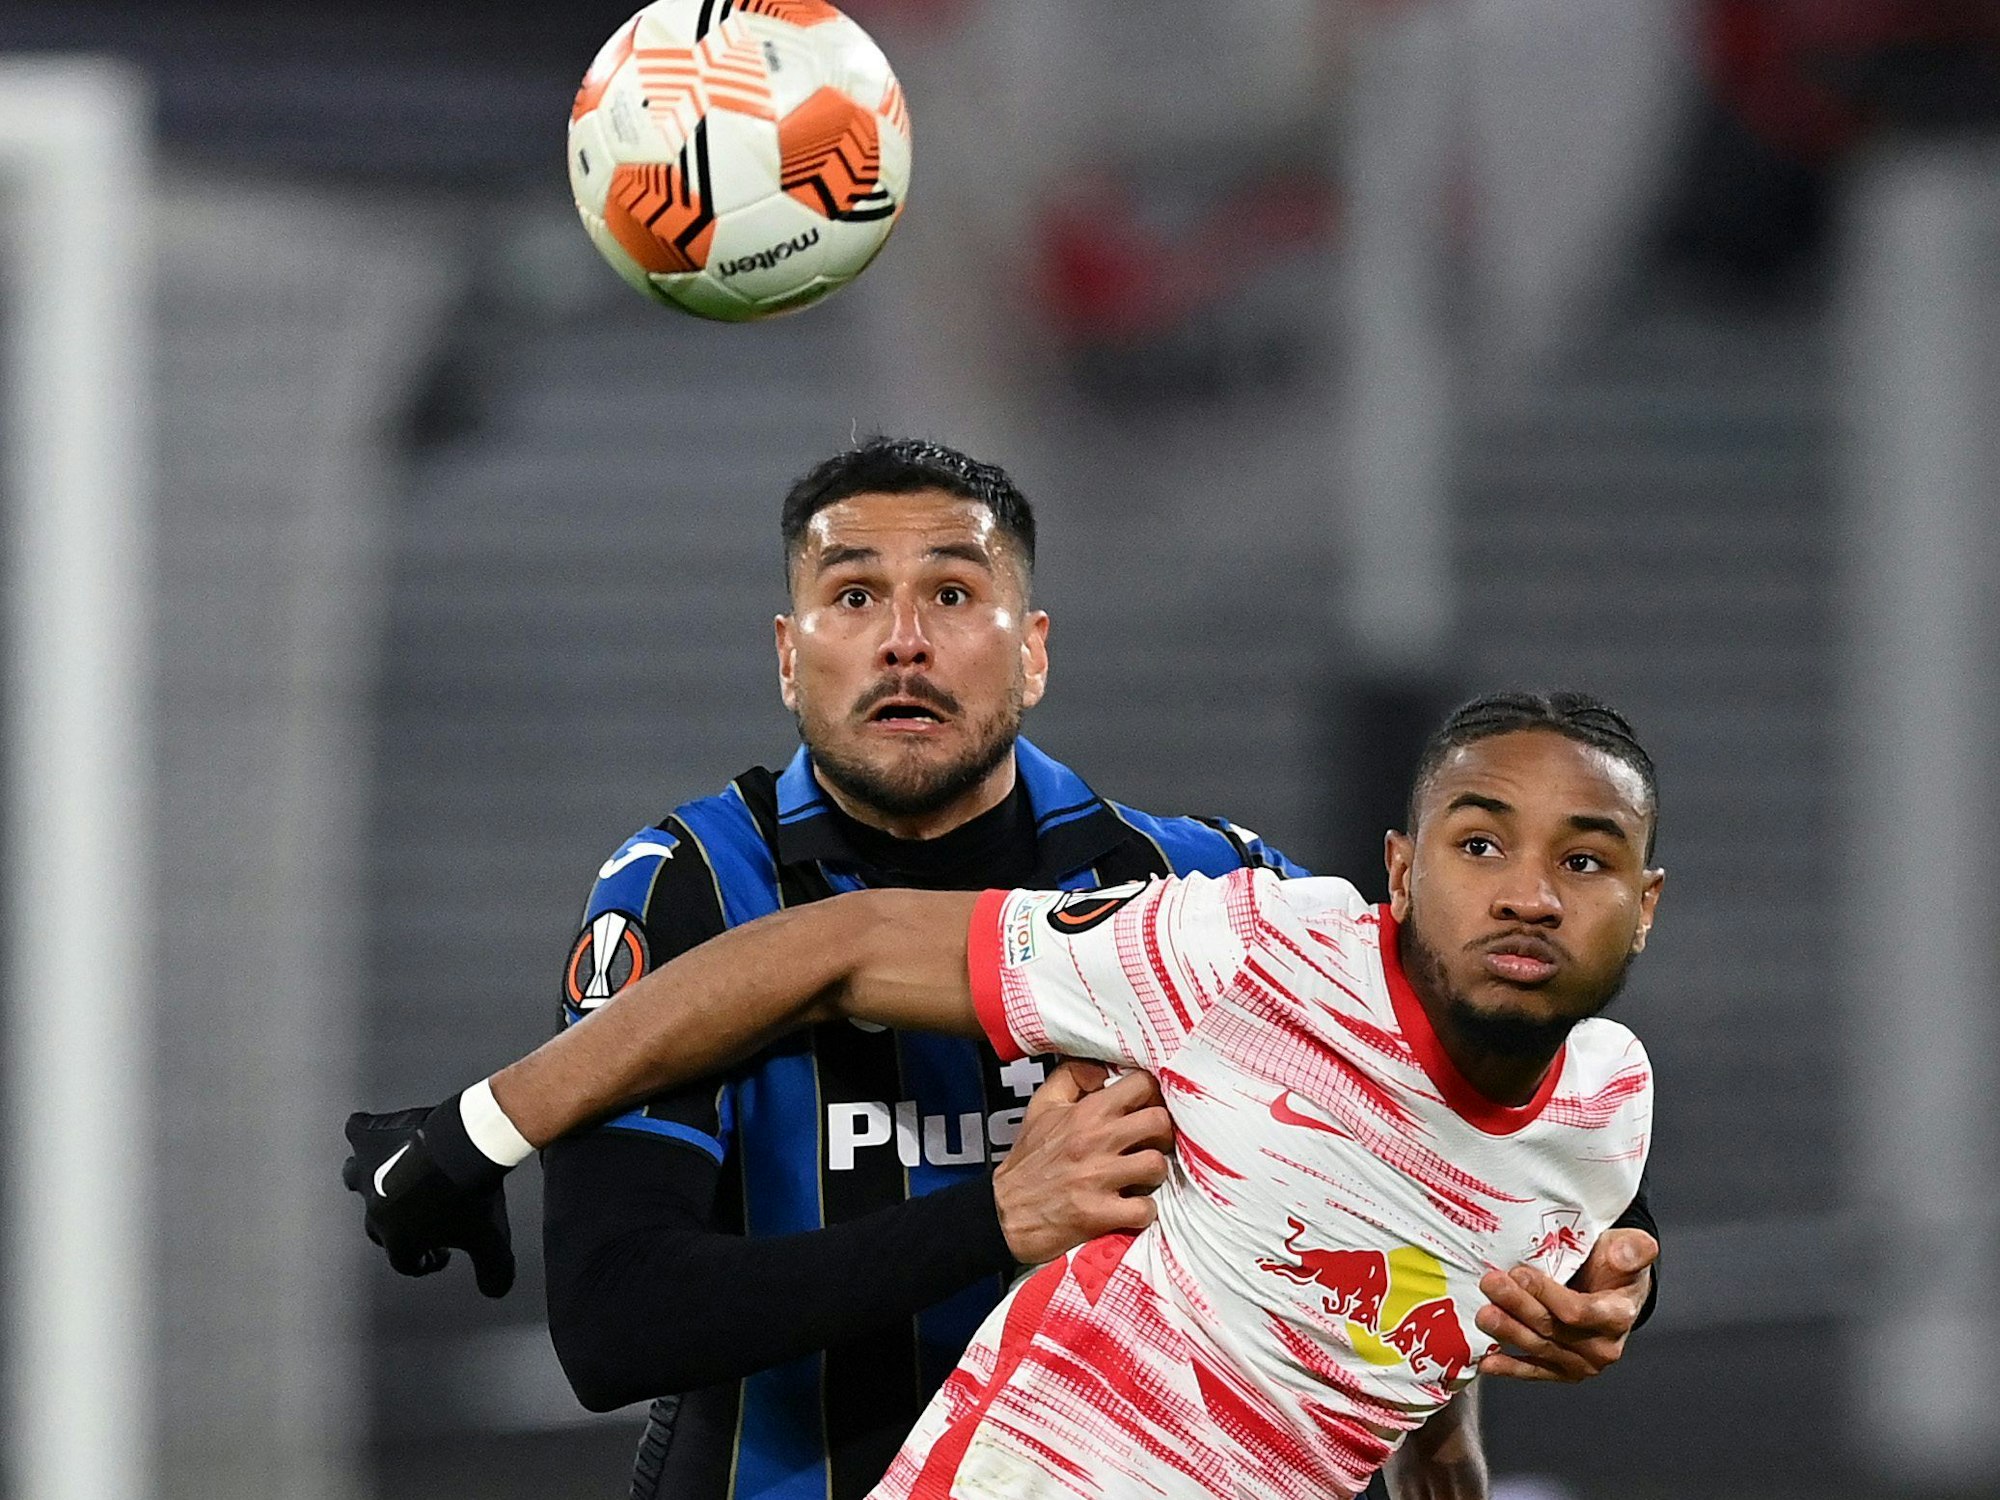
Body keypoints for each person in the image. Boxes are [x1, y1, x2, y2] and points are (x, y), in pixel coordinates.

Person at [344, 440, 1657, 1497]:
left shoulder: (1200, 889)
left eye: (954, 596)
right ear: (790, 659)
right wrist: (992, 1218)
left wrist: (1463, 1403)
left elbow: (1386, 1160)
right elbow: (616, 1328)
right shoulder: (690, 889)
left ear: (1031, 651)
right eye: (854, 595)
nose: (904, 641)